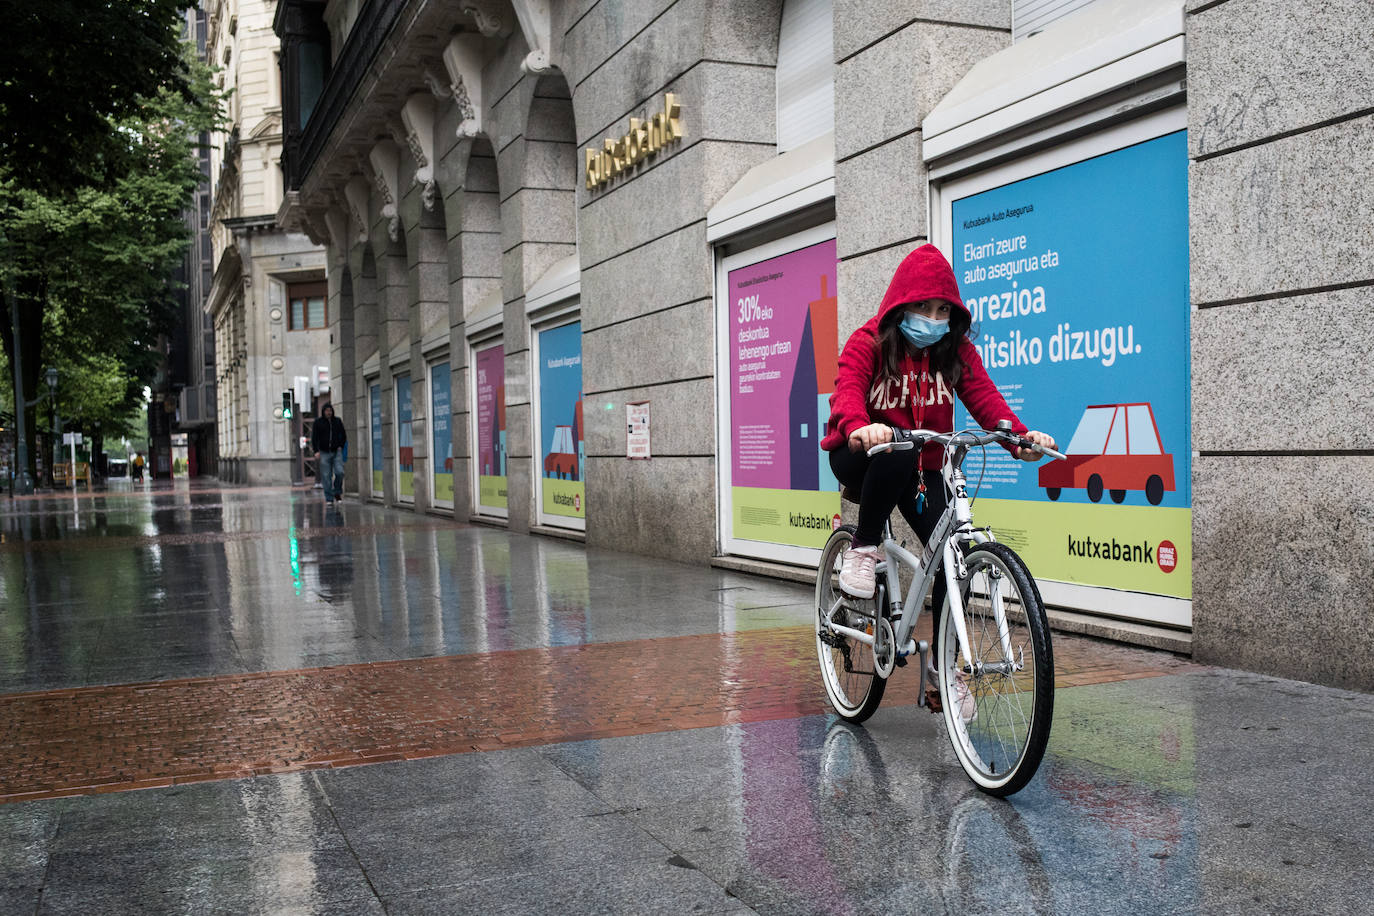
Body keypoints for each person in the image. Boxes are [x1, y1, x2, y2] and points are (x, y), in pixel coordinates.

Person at [820, 244, 1056, 713]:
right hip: (859, 451)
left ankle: (943, 668)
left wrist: (1020, 439)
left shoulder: (953, 351)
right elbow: (847, 391)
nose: (933, 319)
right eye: (924, 307)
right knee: (899, 446)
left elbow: (986, 399)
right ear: (901, 304)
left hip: (920, 470)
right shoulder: (869, 342)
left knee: (955, 555)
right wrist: (860, 426)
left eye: (942, 310)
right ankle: (863, 548)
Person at [312, 402, 347, 505]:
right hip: (324, 452)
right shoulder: (318, 422)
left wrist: (341, 445)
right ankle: (329, 498)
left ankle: (337, 491)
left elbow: (343, 434)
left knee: (340, 472)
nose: (329, 412)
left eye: (330, 410)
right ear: (323, 412)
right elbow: (314, 437)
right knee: (326, 476)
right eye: (327, 411)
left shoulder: (337, 421)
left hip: (336, 451)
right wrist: (316, 451)